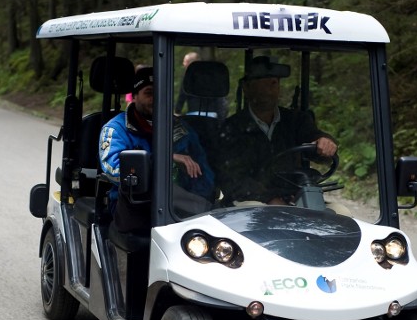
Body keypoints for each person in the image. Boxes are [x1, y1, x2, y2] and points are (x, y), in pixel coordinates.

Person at [211, 55, 338, 206]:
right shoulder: (232, 128)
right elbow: (231, 178)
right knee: (256, 207)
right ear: (246, 87)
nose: (272, 83)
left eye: (275, 80)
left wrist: (323, 142)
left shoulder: (295, 120)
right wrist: (269, 199)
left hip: (294, 197)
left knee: (341, 212)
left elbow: (311, 136)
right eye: (263, 79)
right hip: (251, 202)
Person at [99, 67, 211, 233]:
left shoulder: (182, 129)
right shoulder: (115, 129)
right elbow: (114, 170)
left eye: (160, 92)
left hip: (182, 207)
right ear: (134, 96)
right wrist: (165, 159)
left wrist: (206, 196)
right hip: (133, 206)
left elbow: (204, 170)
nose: (155, 98)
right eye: (149, 93)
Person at [174, 51, 227, 119]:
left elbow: (182, 96)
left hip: (194, 114)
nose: (183, 64)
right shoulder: (212, 77)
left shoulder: (188, 77)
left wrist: (177, 111)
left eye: (185, 61)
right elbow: (219, 97)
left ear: (190, 63)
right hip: (212, 115)